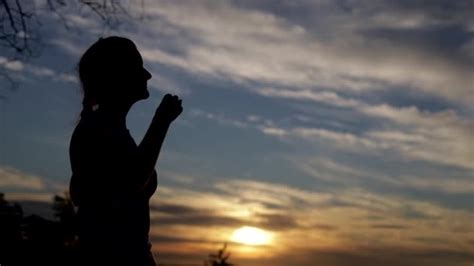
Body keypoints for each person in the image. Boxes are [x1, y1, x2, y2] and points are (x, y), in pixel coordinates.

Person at [68, 36, 182, 266]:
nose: (147, 75)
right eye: (139, 67)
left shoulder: (107, 129)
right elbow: (132, 179)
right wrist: (161, 122)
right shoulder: (95, 130)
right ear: (117, 77)